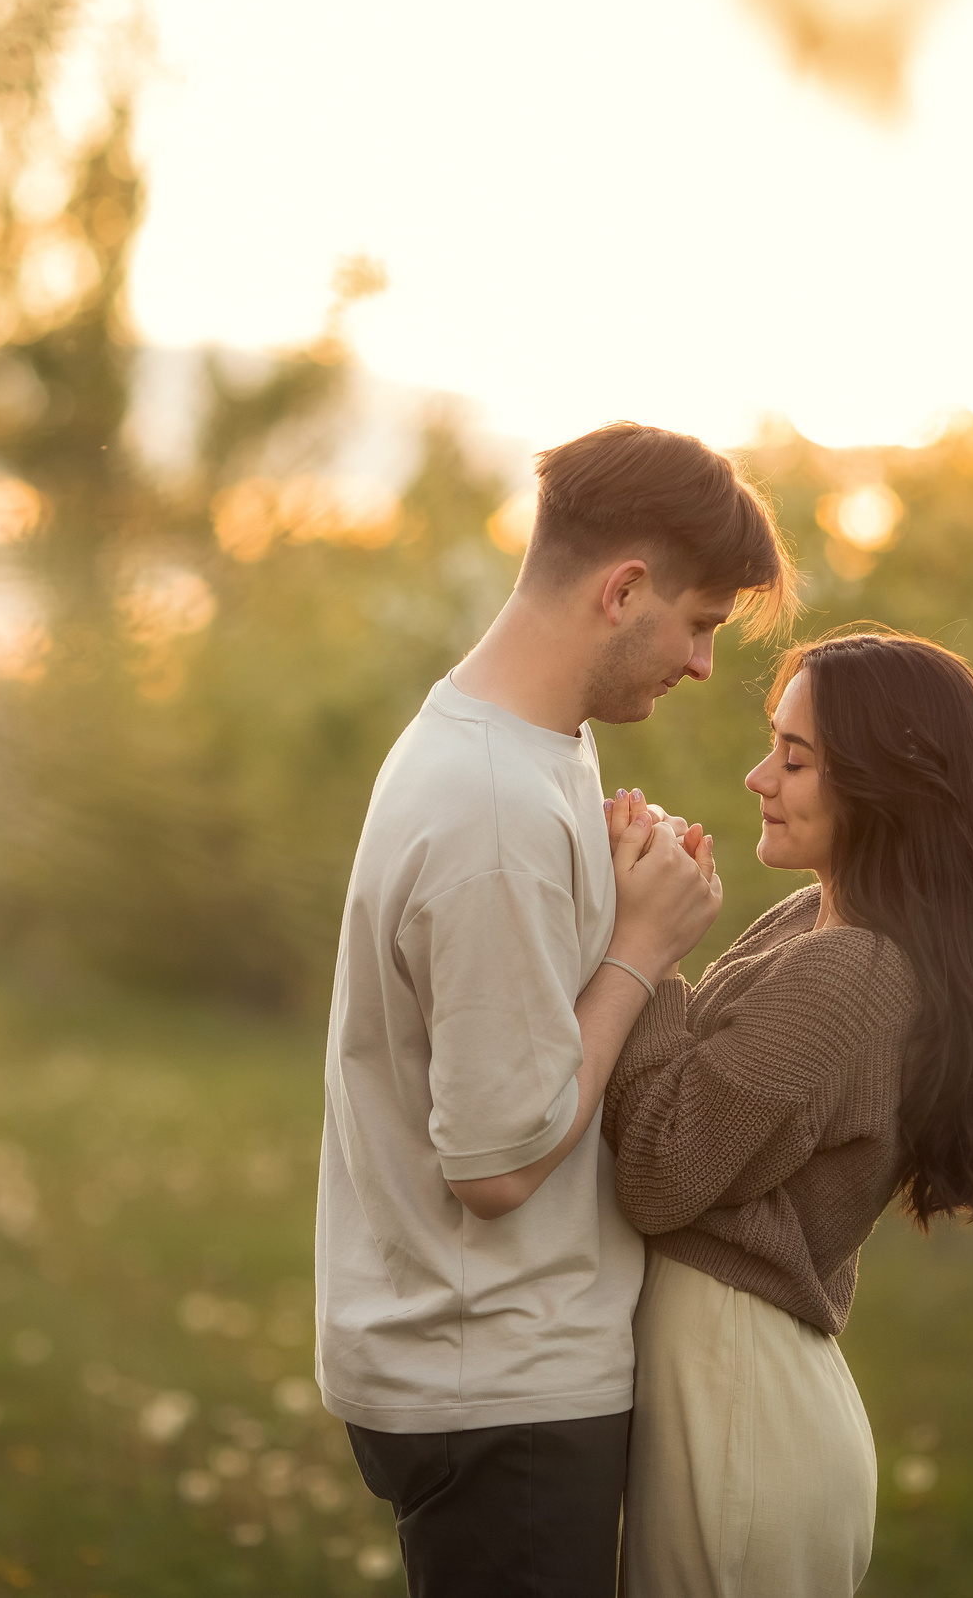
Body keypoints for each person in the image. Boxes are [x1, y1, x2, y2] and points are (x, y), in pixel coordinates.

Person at [314, 421, 788, 1598]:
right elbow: (494, 1163)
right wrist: (641, 946)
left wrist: (614, 891)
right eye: (698, 627)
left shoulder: (531, 750)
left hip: (494, 1362)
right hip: (498, 1385)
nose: (697, 667)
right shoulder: (491, 811)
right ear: (622, 590)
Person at [603, 628, 973, 1598]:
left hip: (739, 1407)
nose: (756, 776)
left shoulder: (848, 969)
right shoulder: (815, 923)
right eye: (773, 744)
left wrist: (645, 952)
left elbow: (658, 1170)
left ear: (887, 787)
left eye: (795, 759)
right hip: (733, 1389)